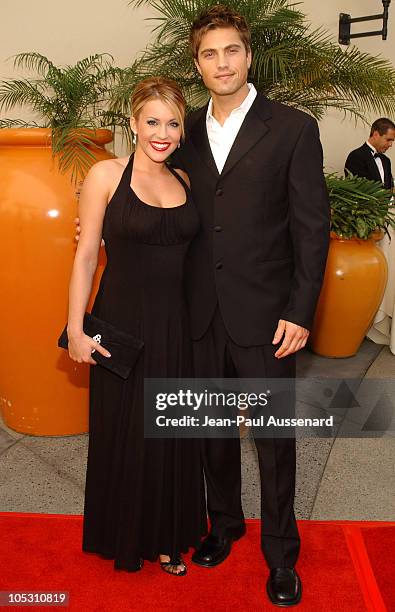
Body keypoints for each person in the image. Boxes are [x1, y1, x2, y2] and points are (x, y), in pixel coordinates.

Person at [75, 5, 330, 606]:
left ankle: (281, 554)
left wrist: (300, 310)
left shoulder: (292, 127)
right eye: (210, 54)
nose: (222, 63)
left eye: (232, 51)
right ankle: (223, 524)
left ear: (248, 56)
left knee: (274, 439)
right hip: (195, 315)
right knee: (209, 430)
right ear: (197, 63)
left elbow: (311, 230)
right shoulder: (180, 130)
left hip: (267, 316)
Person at [67, 76, 207, 577]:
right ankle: (123, 534)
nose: (162, 132)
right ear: (133, 123)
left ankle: (169, 537)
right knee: (124, 432)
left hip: (177, 326)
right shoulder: (106, 175)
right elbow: (85, 257)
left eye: (172, 123)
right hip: (120, 323)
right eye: (152, 121)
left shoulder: (187, 182)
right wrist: (77, 329)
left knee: (170, 434)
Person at [345, 117, 395, 190]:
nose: (390, 144)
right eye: (388, 140)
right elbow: (357, 190)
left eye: (392, 141)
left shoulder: (386, 160)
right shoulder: (356, 156)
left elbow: (389, 189)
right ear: (376, 135)